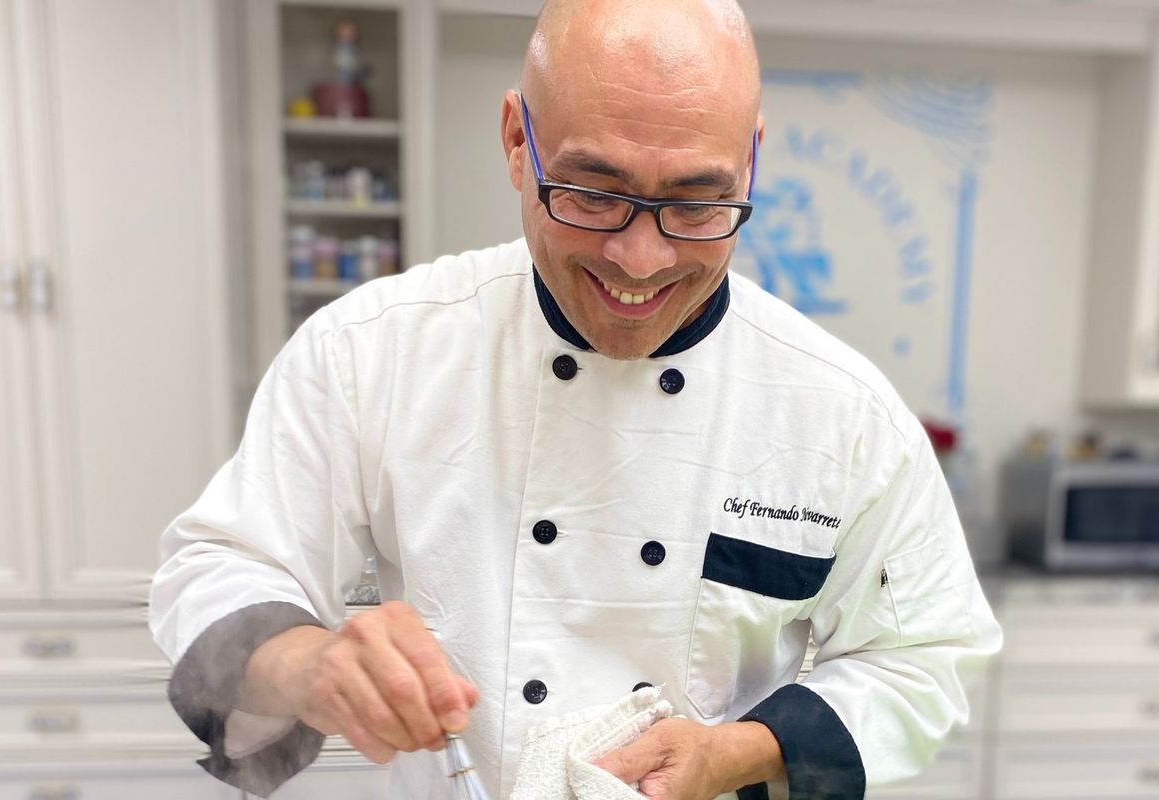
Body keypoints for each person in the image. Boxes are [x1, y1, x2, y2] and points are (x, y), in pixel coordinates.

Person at [149, 0, 1001, 798]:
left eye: (697, 202)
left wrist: (736, 750)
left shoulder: (842, 412)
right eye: (594, 193)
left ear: (750, 162)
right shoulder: (374, 351)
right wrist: (306, 663)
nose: (640, 259)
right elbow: (223, 567)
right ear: (519, 141)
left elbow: (927, 656)